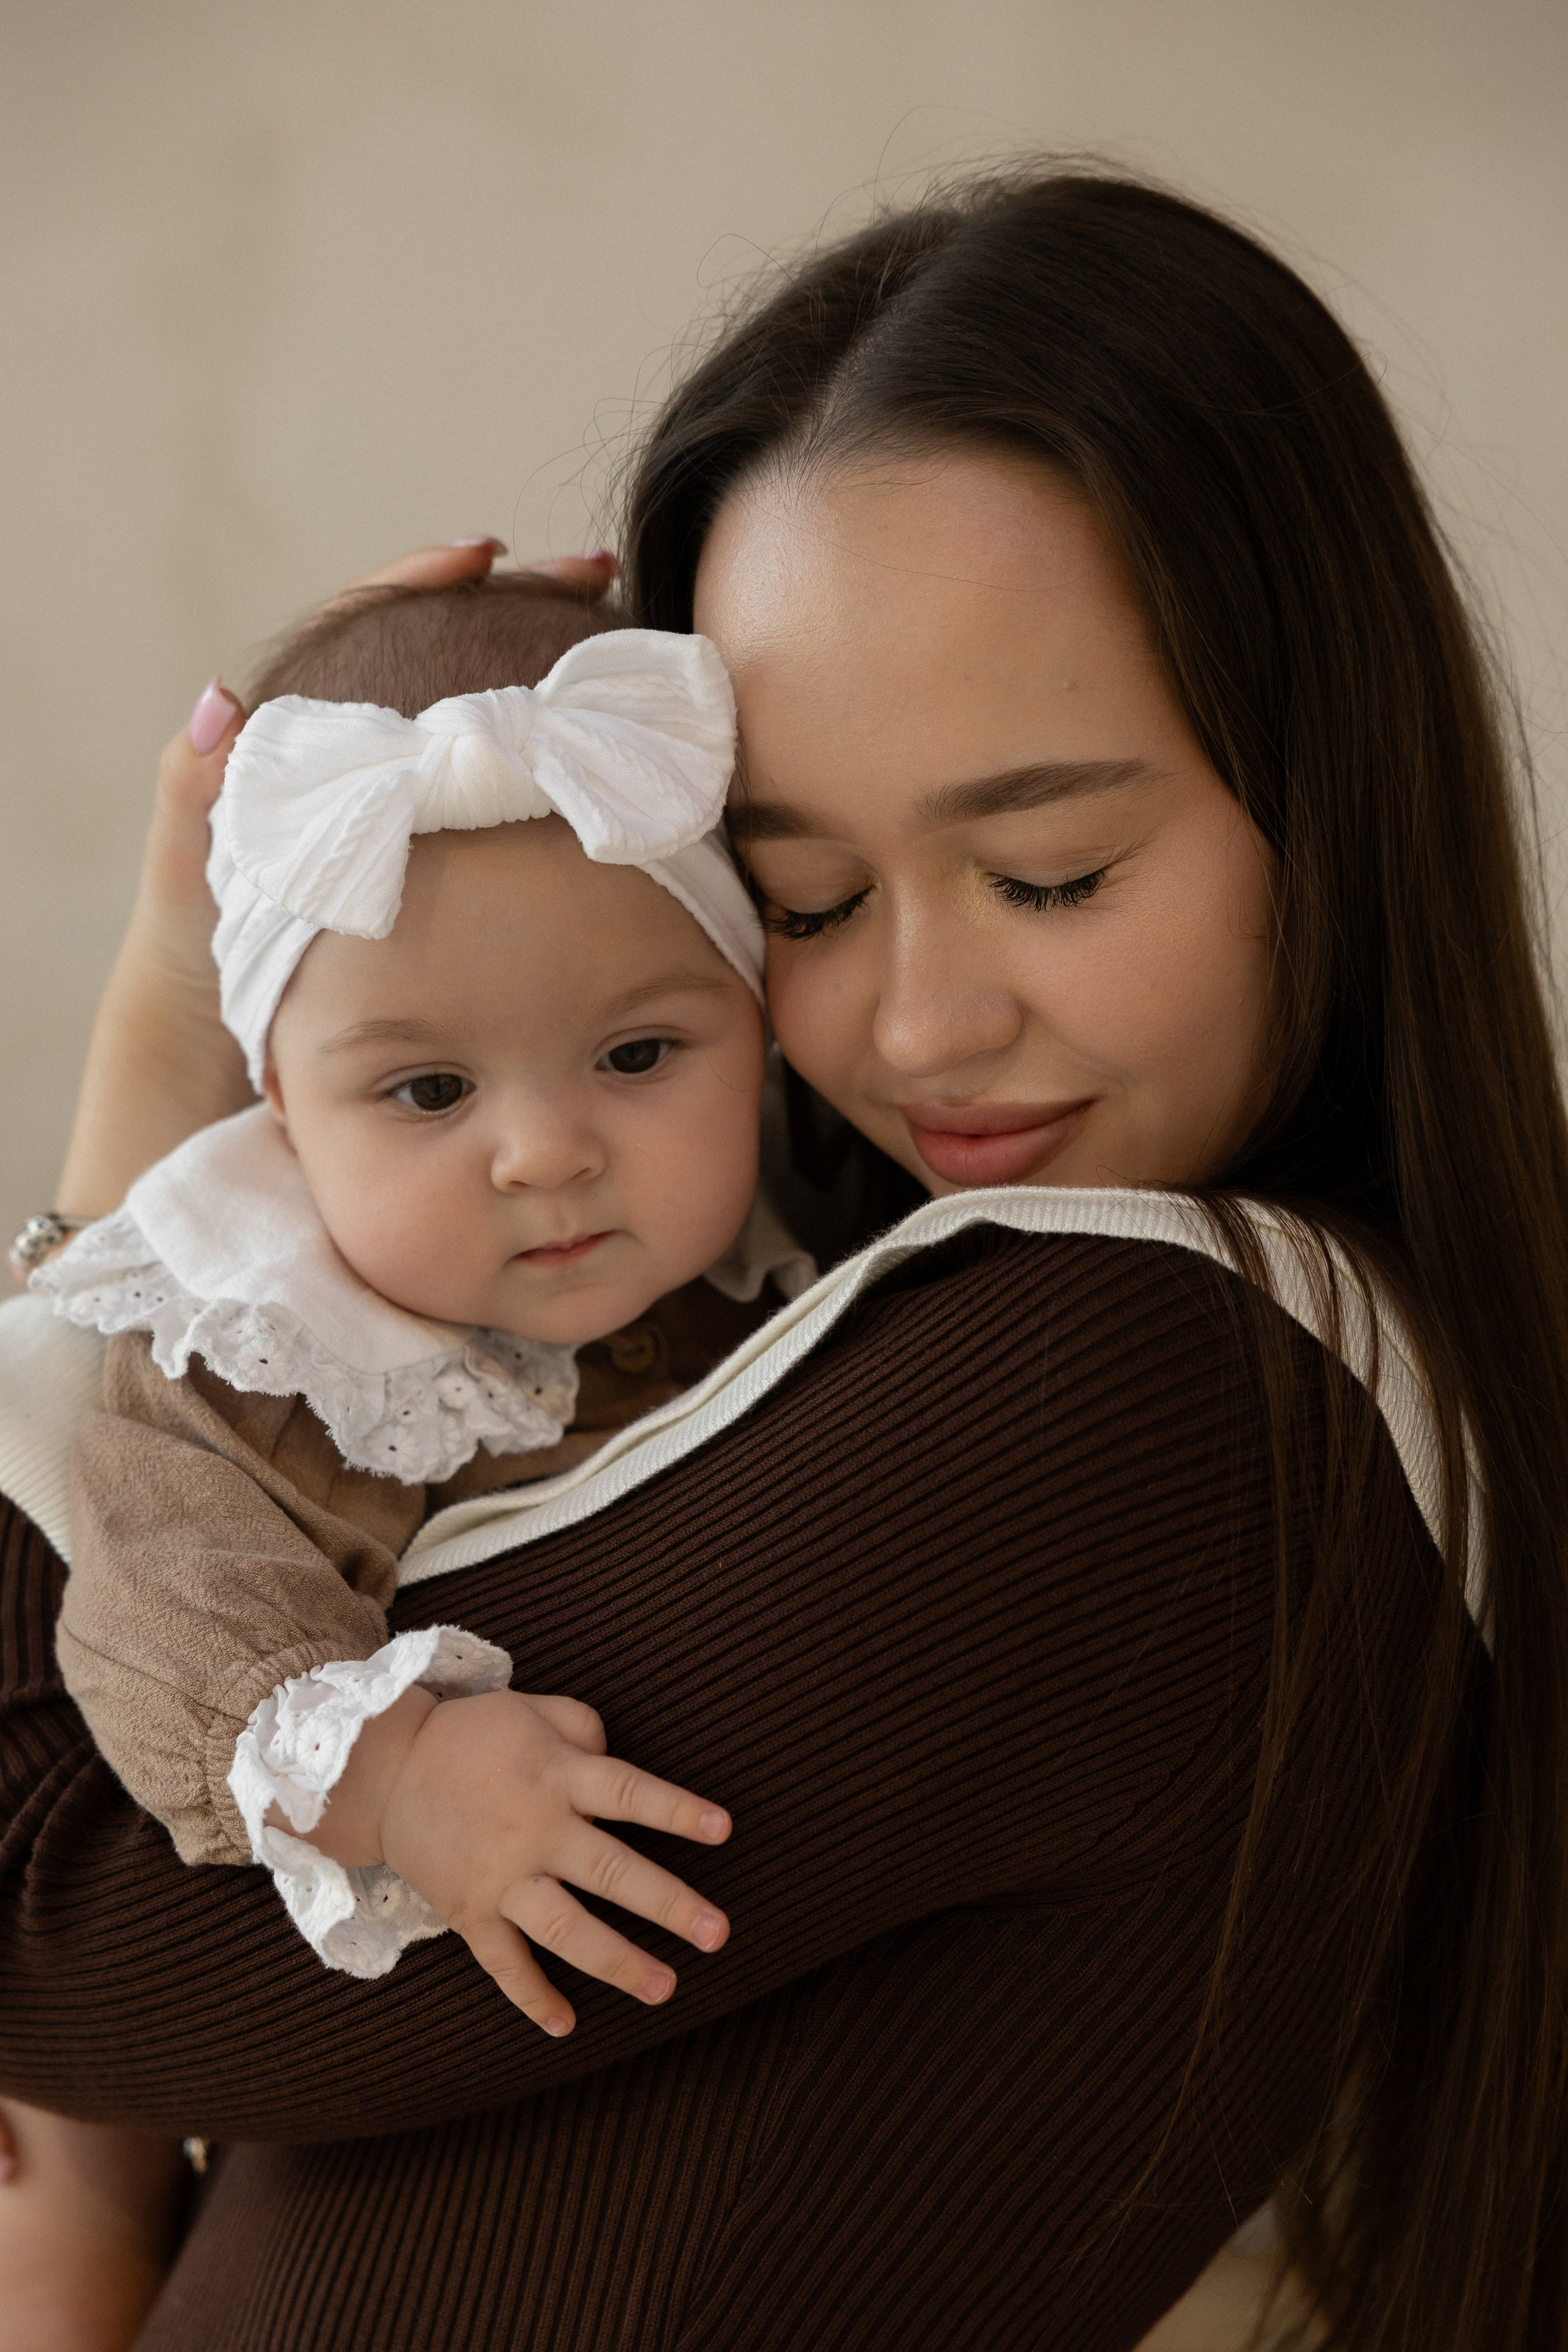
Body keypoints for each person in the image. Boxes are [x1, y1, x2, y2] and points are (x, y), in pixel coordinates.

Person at [0, 168, 1562, 2352]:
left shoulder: (1148, 1394)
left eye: (1049, 870)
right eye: (802, 905)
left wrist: (169, 1057)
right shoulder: (770, 1328)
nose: (917, 1029)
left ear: (1335, 785)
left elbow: (51, 1896)